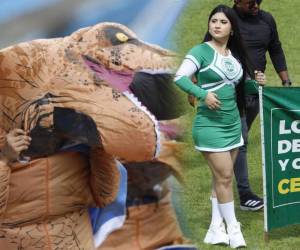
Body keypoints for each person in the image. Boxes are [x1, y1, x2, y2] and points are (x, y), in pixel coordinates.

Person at [174, 4, 265, 248]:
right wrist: (202, 94)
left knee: (219, 179)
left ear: (232, 28)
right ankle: (234, 230)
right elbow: (179, 77)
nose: (217, 25)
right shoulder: (201, 51)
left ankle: (216, 229)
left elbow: (241, 88)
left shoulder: (234, 57)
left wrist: (256, 84)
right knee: (226, 176)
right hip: (209, 127)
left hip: (233, 124)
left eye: (223, 22)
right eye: (213, 21)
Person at [232, 0, 292, 211]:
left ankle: (222, 176)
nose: (256, 5)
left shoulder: (266, 20)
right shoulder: (226, 19)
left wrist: (285, 81)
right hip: (232, 92)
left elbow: (275, 49)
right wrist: (194, 81)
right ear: (237, 1)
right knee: (241, 142)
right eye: (251, 3)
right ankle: (245, 194)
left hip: (256, 92)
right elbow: (206, 49)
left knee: (236, 142)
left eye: (259, 1)